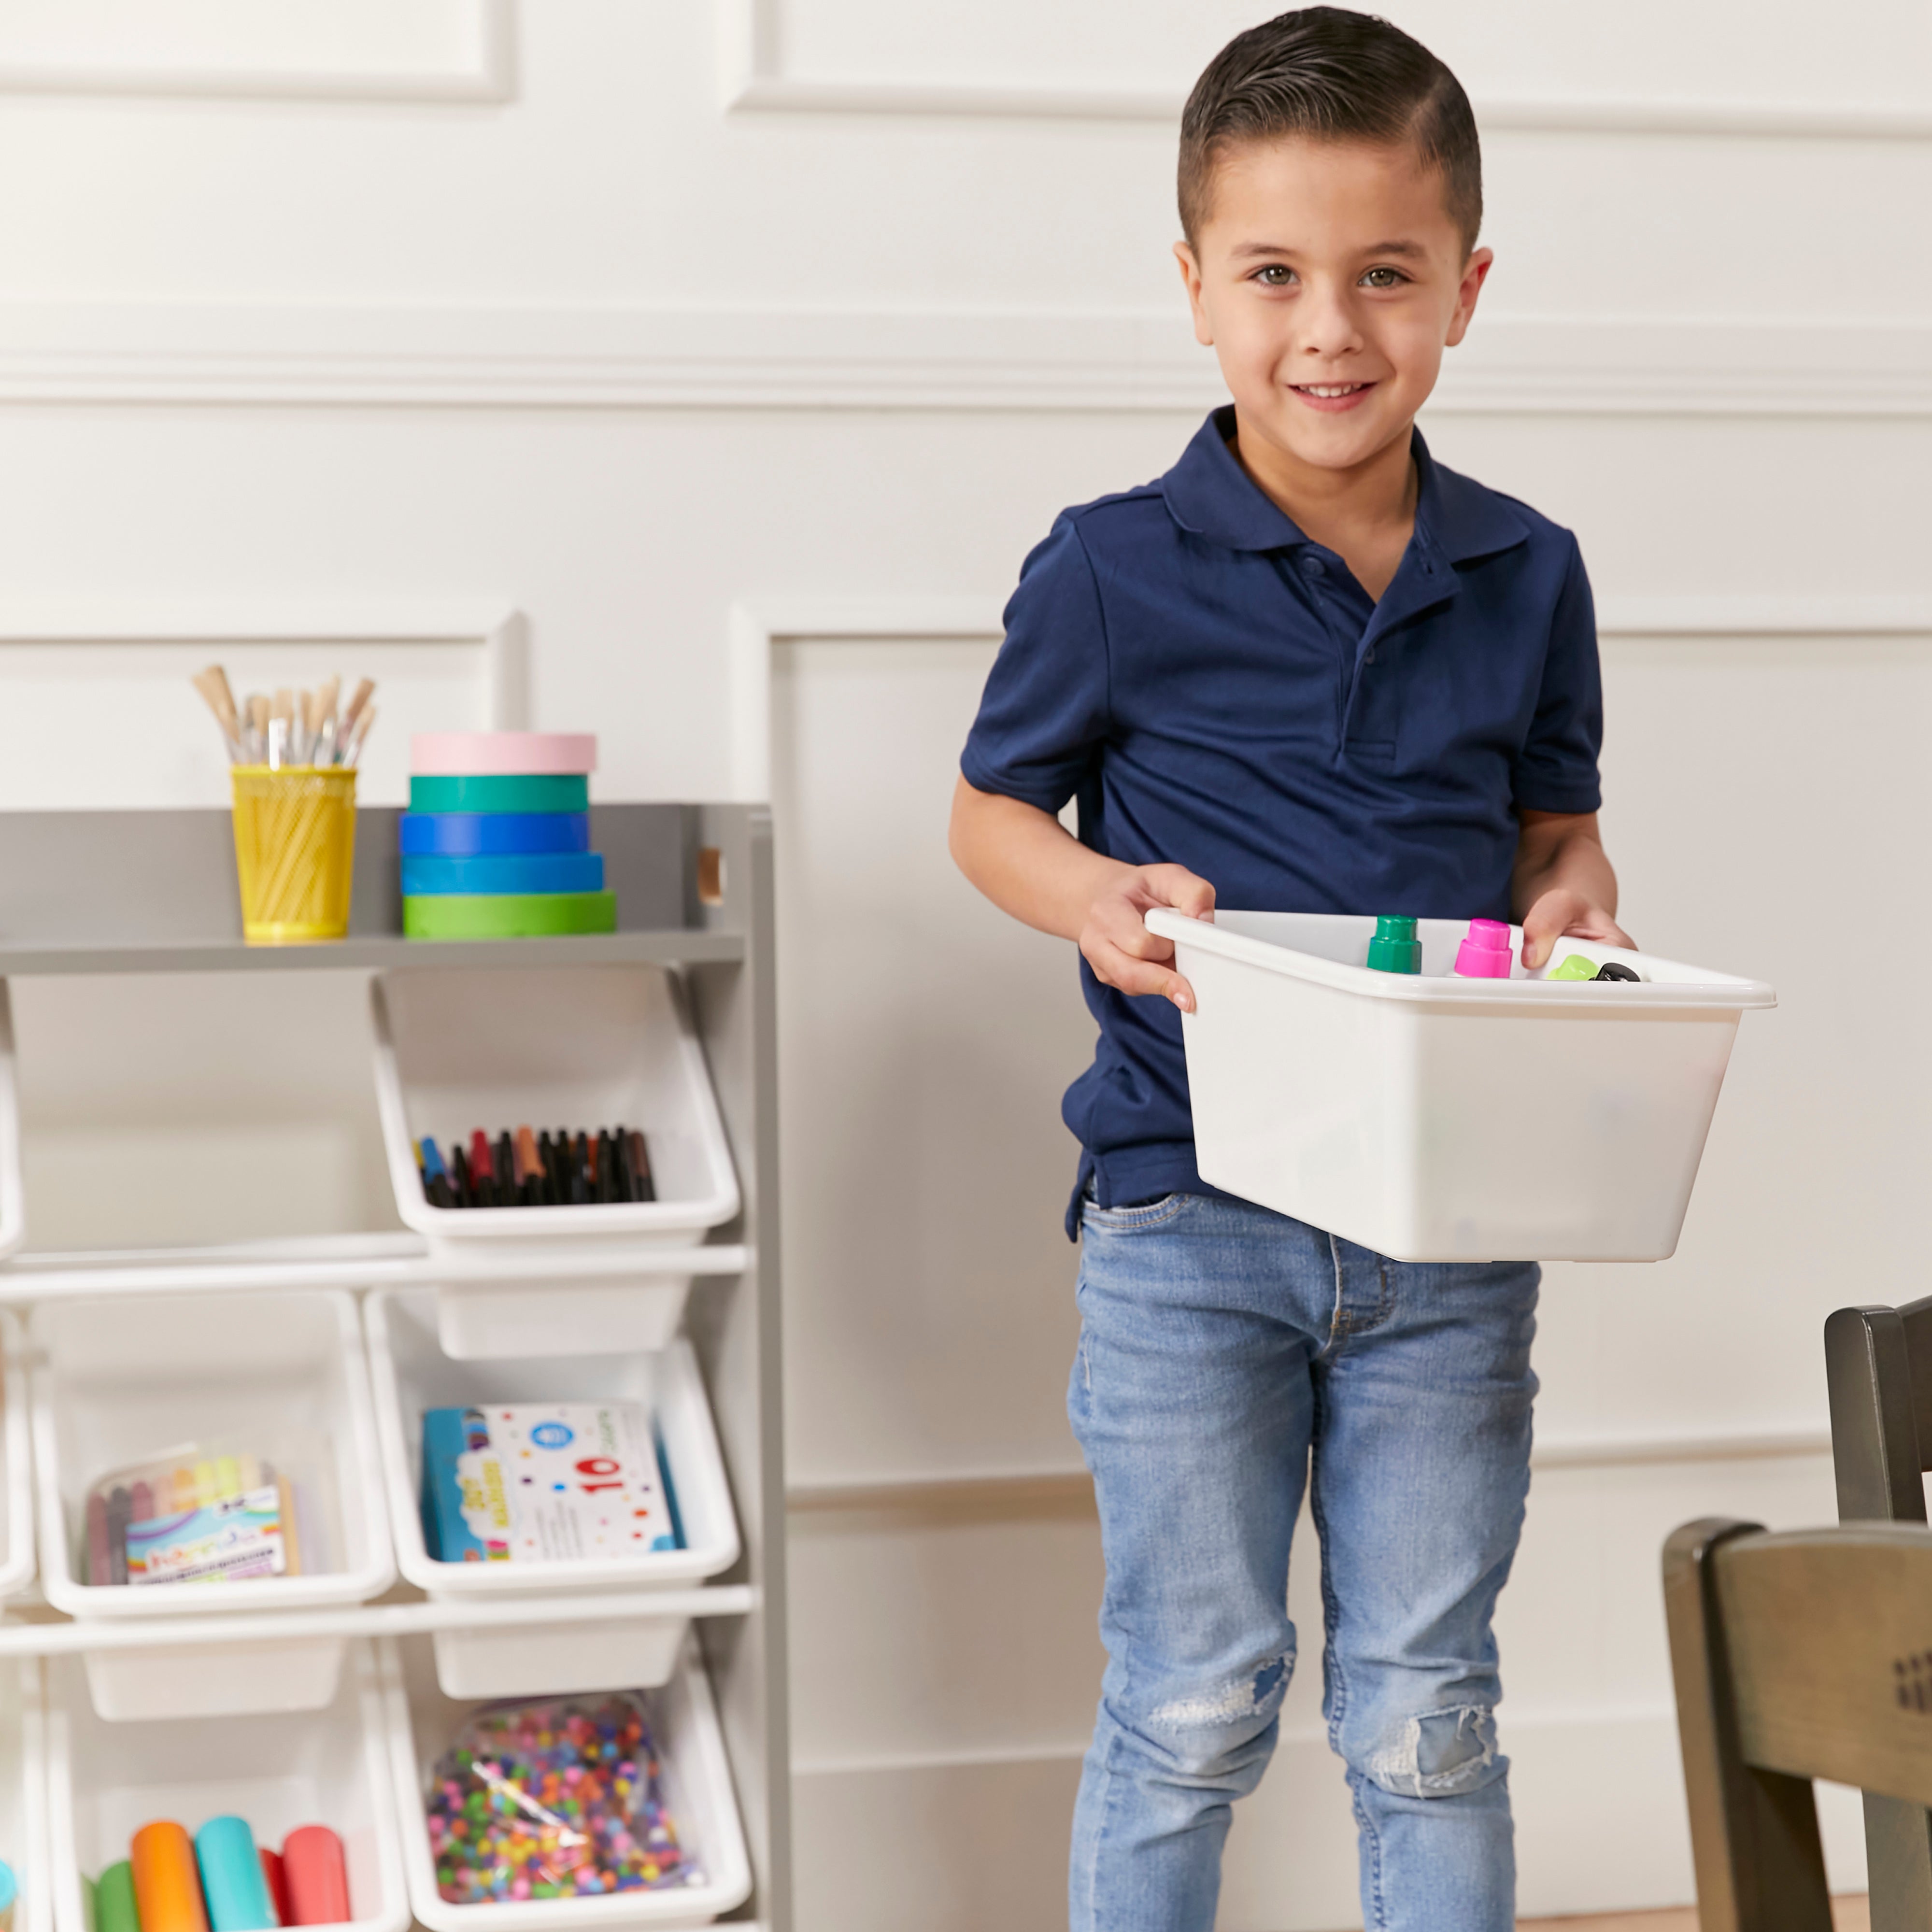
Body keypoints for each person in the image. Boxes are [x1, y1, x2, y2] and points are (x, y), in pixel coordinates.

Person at [949, 11, 1633, 1930]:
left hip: (1446, 1230)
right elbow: (987, 813)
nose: (1329, 330)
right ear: (1193, 288)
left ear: (1464, 291)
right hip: (1185, 1222)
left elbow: (1550, 841)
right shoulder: (1108, 566)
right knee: (1189, 1697)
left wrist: (1576, 900)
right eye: (1273, 276)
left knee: (1427, 1711)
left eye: (1384, 277)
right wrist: (1085, 894)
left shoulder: (1527, 571)